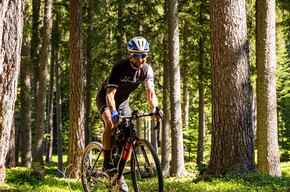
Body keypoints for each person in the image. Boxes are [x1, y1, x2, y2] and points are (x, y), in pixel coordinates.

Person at [96, 36, 161, 192]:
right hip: (106, 98)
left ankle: (118, 177)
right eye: (136, 55)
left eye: (143, 55)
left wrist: (156, 109)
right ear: (130, 55)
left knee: (129, 135)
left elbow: (151, 94)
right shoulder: (120, 67)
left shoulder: (147, 70)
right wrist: (112, 112)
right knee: (111, 124)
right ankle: (107, 162)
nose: (140, 59)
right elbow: (110, 94)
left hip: (123, 102)